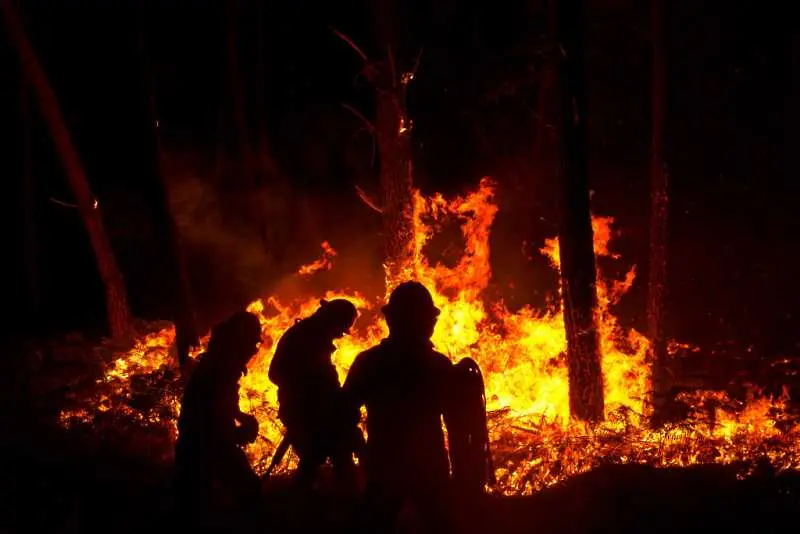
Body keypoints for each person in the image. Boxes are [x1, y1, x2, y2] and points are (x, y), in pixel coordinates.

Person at [343, 281, 456, 533]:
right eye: (429, 318)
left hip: (385, 461)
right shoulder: (437, 365)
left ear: (391, 320)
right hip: (427, 464)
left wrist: (360, 448)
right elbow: (458, 422)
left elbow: (345, 409)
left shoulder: (370, 361)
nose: (432, 324)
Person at [174, 311, 263, 530]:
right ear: (239, 339)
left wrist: (241, 417)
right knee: (205, 506)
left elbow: (223, 405)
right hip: (201, 446)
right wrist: (238, 434)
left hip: (201, 443)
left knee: (203, 504)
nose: (255, 348)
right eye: (253, 341)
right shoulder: (222, 367)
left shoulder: (221, 361)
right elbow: (212, 419)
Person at [268, 299, 362, 490]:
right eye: (340, 329)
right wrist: (306, 392)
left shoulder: (313, 337)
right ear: (332, 320)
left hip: (315, 413)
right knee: (321, 459)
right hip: (305, 415)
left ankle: (335, 506)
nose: (339, 335)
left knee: (323, 460)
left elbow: (327, 384)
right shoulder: (305, 338)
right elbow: (275, 374)